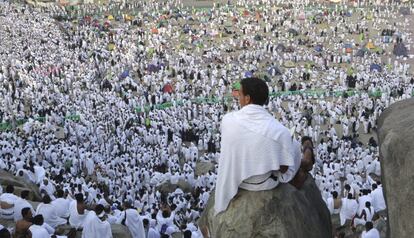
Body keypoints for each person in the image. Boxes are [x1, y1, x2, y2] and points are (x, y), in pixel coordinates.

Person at [215, 77, 297, 215]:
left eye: (239, 94)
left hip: (238, 182)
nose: (237, 98)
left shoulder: (227, 120)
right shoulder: (280, 131)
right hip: (264, 183)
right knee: (295, 145)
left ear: (247, 99)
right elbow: (284, 169)